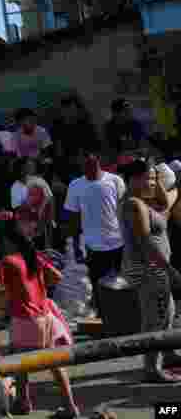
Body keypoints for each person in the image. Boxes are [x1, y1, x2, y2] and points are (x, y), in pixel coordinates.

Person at [0, 220, 80, 417]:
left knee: (19, 361)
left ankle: (24, 402)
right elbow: (56, 276)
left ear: (5, 240)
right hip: (45, 315)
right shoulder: (33, 255)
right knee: (54, 362)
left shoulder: (7, 262)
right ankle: (69, 405)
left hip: (25, 318)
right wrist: (36, 290)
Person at [117, 159, 181, 382]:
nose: (153, 183)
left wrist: (156, 174)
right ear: (134, 180)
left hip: (153, 267)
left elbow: (164, 203)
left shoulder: (144, 201)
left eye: (155, 178)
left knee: (168, 312)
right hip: (149, 267)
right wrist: (169, 269)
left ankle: (168, 352)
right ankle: (151, 368)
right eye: (149, 178)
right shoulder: (134, 204)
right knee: (155, 318)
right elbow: (145, 240)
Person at [63, 152, 126, 320]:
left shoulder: (115, 181)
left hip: (119, 243)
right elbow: (73, 219)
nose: (88, 167)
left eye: (91, 162)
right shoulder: (75, 185)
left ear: (99, 161)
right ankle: (104, 320)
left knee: (122, 285)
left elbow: (125, 210)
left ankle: (122, 318)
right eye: (84, 164)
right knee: (98, 287)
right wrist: (77, 246)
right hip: (93, 246)